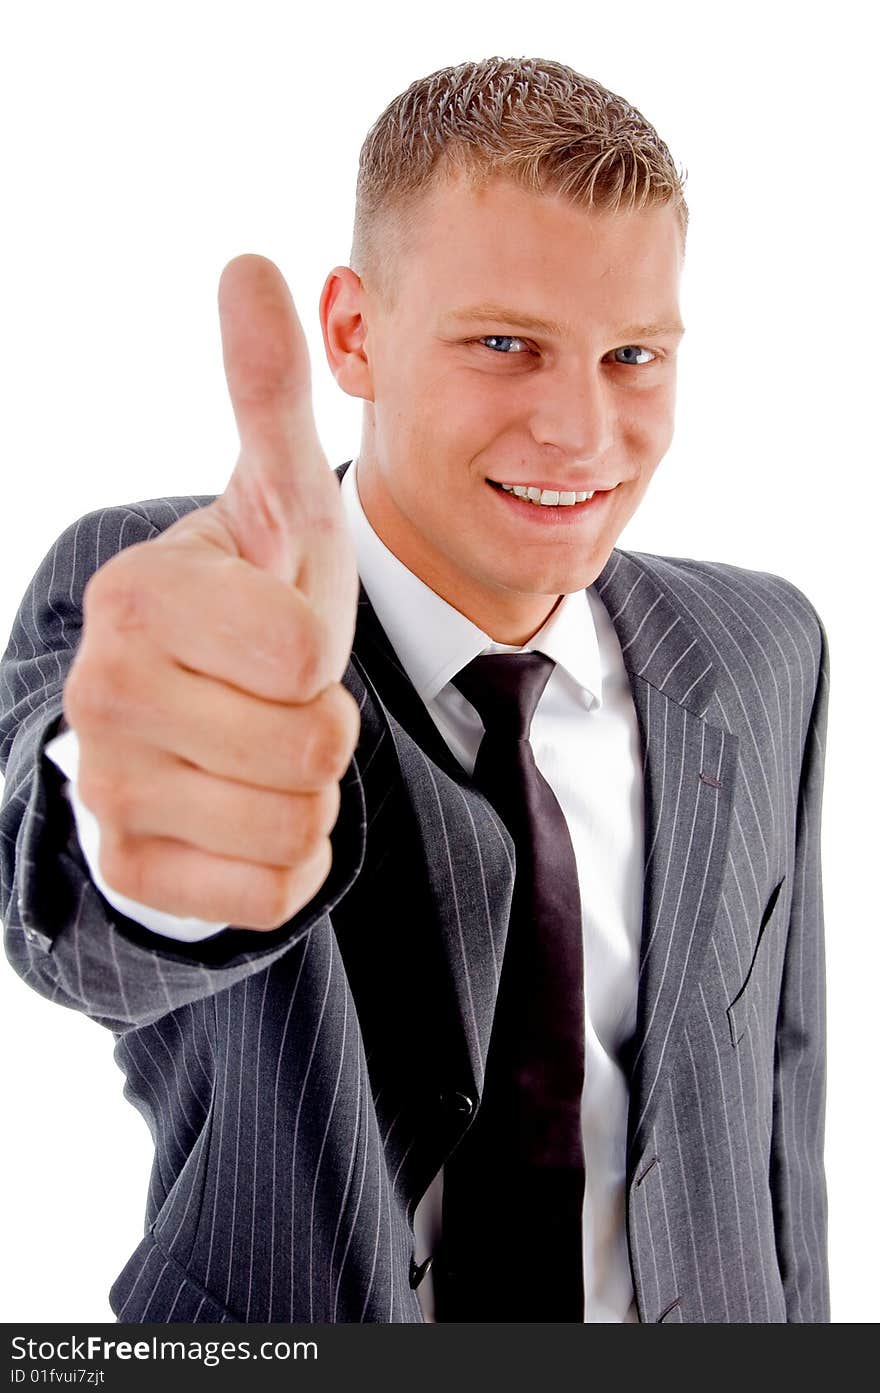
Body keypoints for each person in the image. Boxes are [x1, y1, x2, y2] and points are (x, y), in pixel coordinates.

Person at [0, 55, 830, 1324]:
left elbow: (776, 1107)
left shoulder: (764, 645)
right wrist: (148, 854)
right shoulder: (181, 595)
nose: (581, 432)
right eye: (505, 344)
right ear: (354, 333)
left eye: (632, 355)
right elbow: (73, 918)